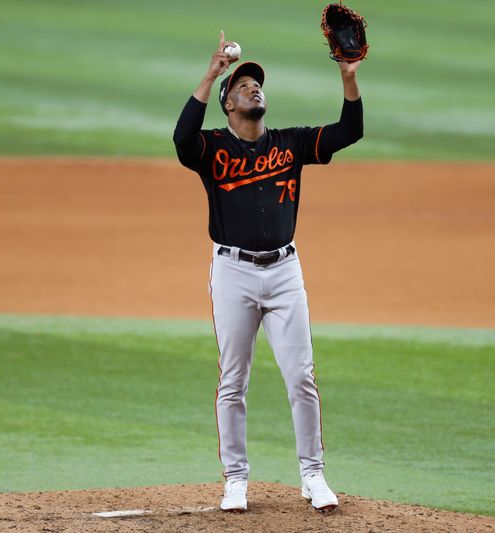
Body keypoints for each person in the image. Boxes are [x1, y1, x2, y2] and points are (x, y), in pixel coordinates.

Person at [172, 31, 363, 513]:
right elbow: (180, 140)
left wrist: (348, 76)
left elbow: (349, 131)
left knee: (301, 376)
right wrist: (212, 73)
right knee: (233, 380)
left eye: (257, 84)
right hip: (232, 273)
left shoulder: (290, 144)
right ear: (228, 104)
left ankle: (313, 475)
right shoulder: (212, 148)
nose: (254, 89)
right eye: (242, 87)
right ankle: (235, 480)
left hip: (285, 273)